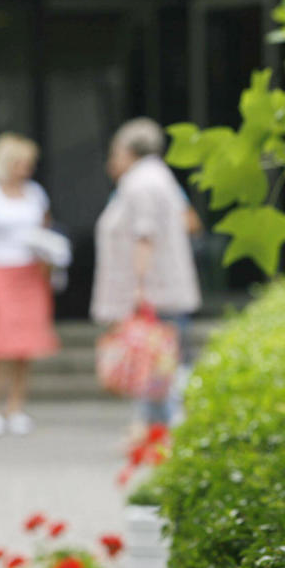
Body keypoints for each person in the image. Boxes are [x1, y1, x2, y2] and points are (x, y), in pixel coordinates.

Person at [91, 117, 202, 432]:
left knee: (160, 367)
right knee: (159, 365)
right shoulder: (156, 178)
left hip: (155, 292)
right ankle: (153, 432)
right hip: (162, 290)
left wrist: (139, 289)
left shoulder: (142, 182)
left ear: (128, 149)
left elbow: (144, 235)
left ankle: (169, 432)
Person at [0, 133, 60, 438]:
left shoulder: (35, 194)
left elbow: (45, 232)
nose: (26, 168)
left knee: (25, 345)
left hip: (30, 273)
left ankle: (16, 407)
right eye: (20, 163)